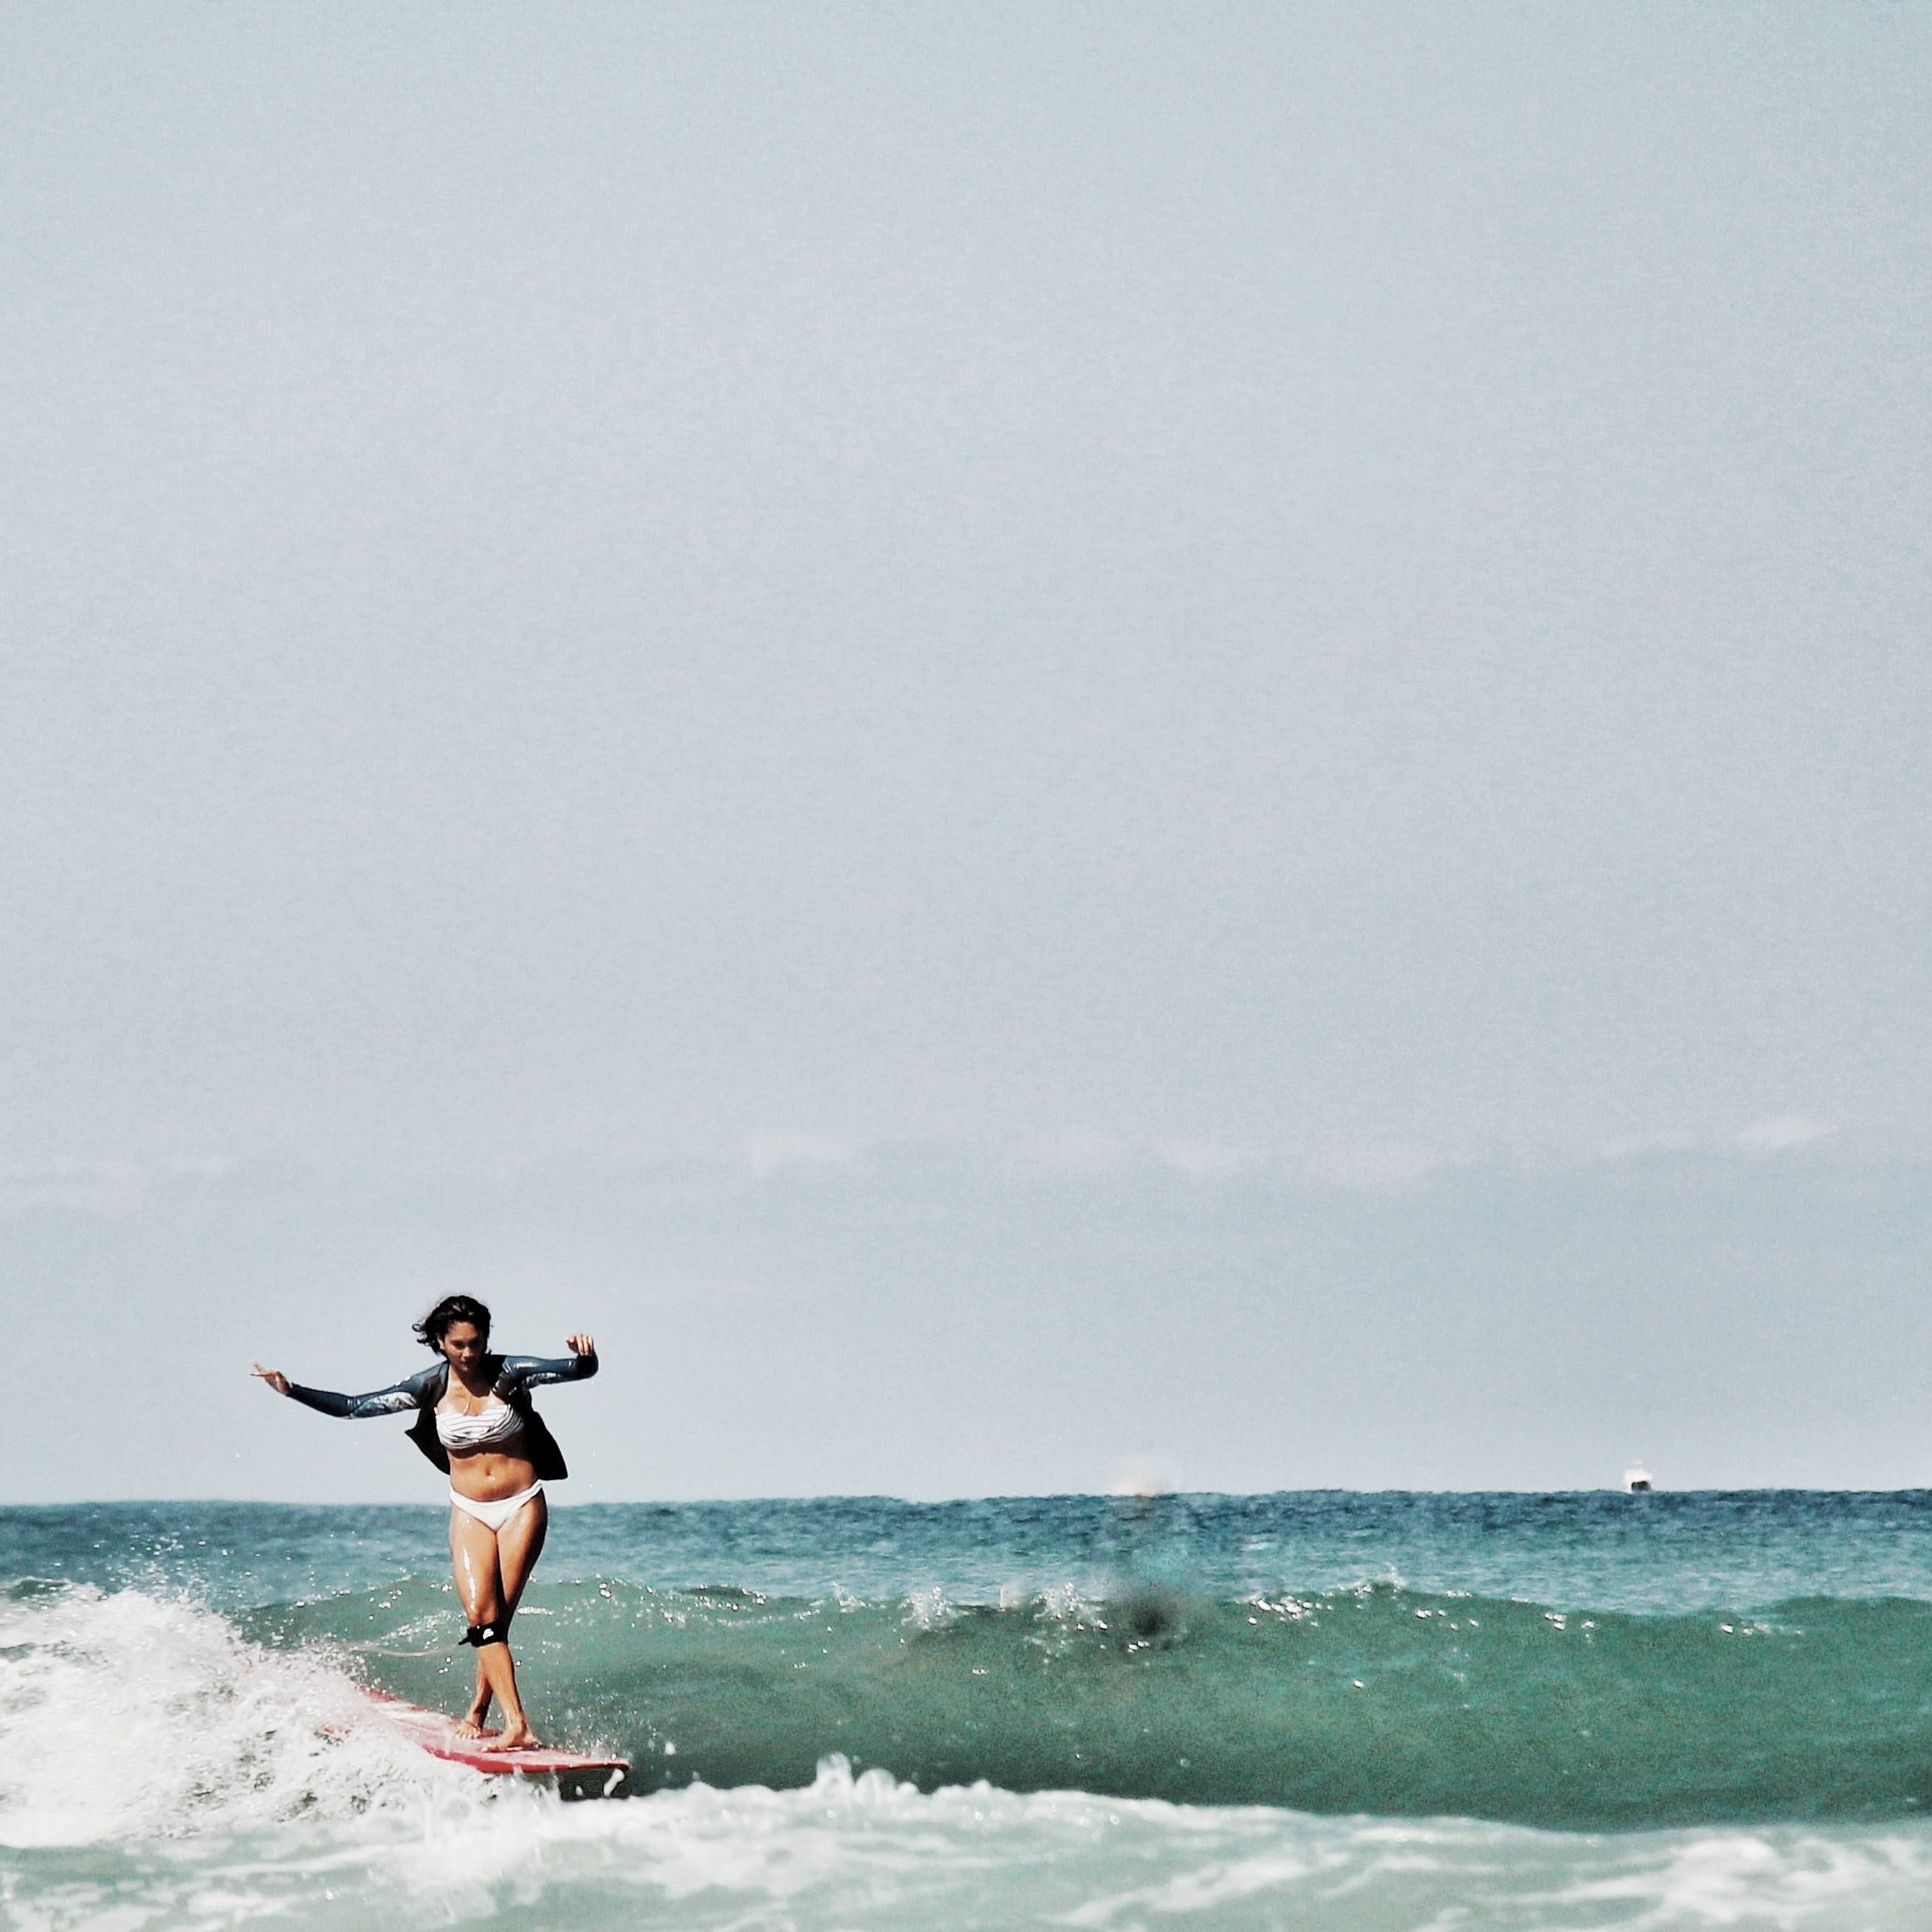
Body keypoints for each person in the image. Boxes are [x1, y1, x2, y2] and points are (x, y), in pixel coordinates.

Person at [252, 1295, 597, 1750]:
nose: (469, 1353)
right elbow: (354, 1405)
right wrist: (292, 1389)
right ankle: (510, 1721)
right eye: (458, 1345)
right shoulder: (428, 1387)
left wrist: (586, 1357)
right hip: (469, 1508)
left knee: (497, 1619)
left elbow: (576, 1371)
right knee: (482, 1618)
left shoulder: (510, 1373)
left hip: (520, 1505)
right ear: (439, 1342)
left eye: (476, 1343)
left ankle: (494, 1716)